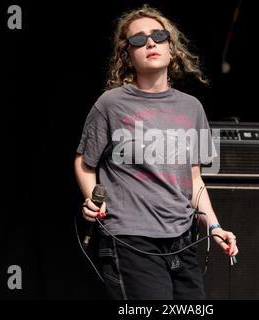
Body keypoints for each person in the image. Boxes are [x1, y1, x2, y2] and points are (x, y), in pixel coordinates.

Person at [74, 4, 238, 300]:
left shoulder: (192, 108)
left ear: (170, 47)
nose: (149, 42)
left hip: (182, 241)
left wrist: (214, 225)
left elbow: (195, 181)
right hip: (130, 239)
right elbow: (84, 162)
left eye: (158, 35)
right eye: (138, 39)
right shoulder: (111, 104)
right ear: (127, 55)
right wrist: (92, 197)